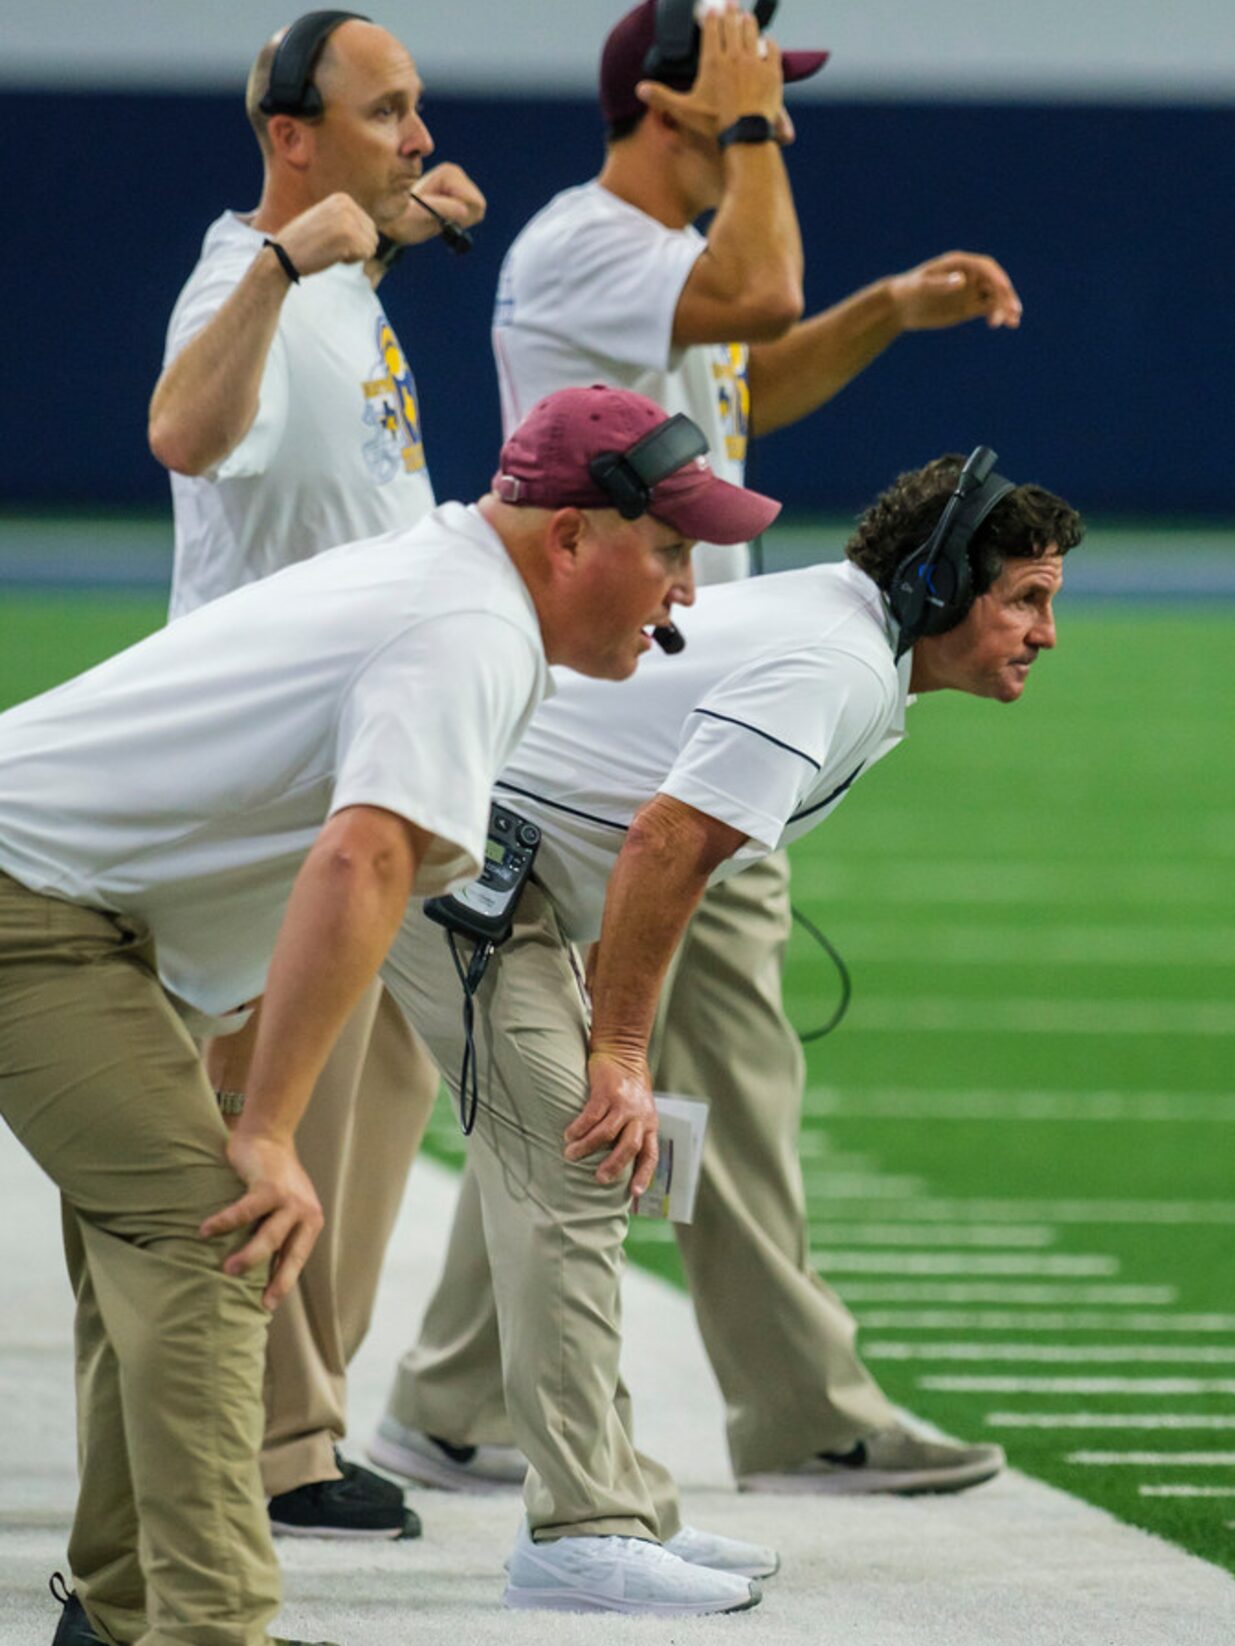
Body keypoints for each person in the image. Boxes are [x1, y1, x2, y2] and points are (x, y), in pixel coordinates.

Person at [3, 386, 760, 1646]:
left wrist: (241, 1080)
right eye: (670, 553)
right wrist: (275, 1128)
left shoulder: (456, 588)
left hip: (86, 912)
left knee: (157, 1245)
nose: (685, 597)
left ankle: (128, 1623)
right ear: (575, 534)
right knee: (220, 1232)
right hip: (37, 904)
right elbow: (360, 861)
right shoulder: (465, 625)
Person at [375, 0, 1028, 1495]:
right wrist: (754, 155)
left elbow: (743, 394)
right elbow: (756, 294)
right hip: (641, 722)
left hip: (668, 696)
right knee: (717, 1065)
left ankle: (453, 1392)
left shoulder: (650, 262)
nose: (776, 118)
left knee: (591, 1080)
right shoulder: (591, 239)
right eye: (748, 94)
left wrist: (883, 313)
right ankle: (796, 1407)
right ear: (669, 107)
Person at [375, 457, 1081, 1527]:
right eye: (1023, 598)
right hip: (463, 861)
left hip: (487, 860)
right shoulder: (837, 662)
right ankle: (591, 1527)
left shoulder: (849, 641)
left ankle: (565, 1483)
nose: (1043, 633)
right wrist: (617, 1050)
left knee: (573, 1162)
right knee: (583, 1159)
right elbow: (666, 841)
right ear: (936, 585)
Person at [148, 8, 486, 1539]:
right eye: (387, 111)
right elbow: (186, 430)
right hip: (275, 775)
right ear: (293, 137)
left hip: (365, 755)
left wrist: (383, 238)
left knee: (380, 1084)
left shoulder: (340, 266)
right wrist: (288, 268)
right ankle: (274, 1441)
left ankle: (303, 1408)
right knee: (275, 1108)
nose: (419, 136)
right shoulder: (247, 278)